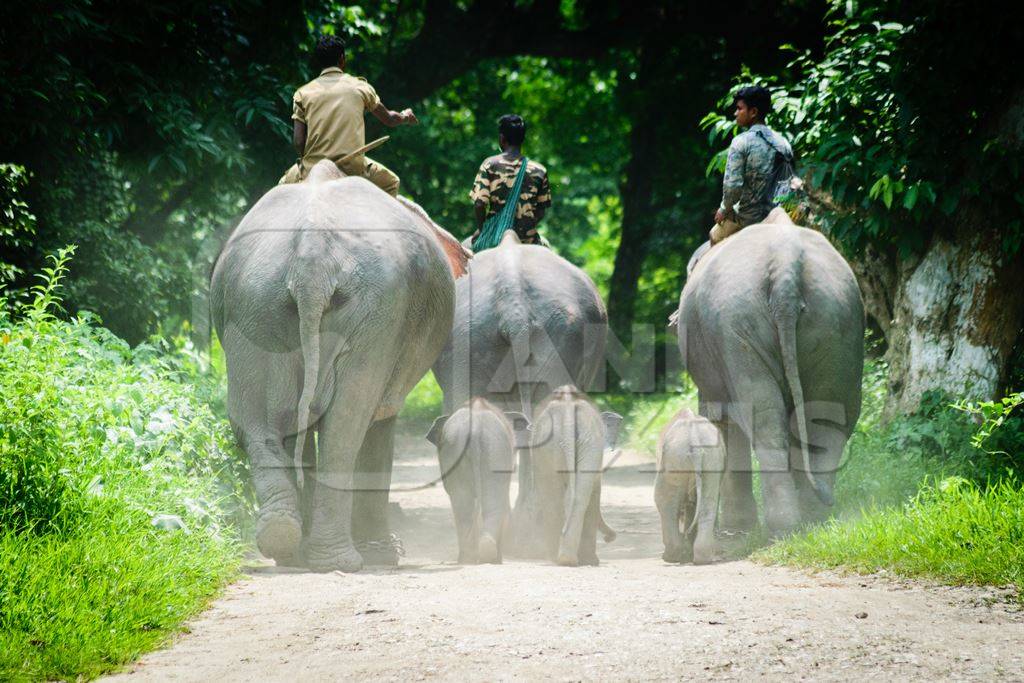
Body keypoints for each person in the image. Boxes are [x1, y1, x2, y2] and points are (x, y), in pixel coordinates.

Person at [282, 35, 417, 195]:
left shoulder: (302, 93)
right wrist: (405, 116)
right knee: (392, 182)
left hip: (313, 168)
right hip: (353, 167)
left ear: (318, 61)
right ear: (342, 59)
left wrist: (313, 163)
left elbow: (298, 142)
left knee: (281, 188)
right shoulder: (360, 87)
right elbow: (389, 119)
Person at [710, 85, 794, 244]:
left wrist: (723, 209)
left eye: (739, 108)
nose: (735, 113)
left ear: (753, 112)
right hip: (778, 217)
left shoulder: (741, 142)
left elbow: (732, 188)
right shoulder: (784, 143)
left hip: (747, 219)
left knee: (714, 236)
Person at [469, 114, 552, 246]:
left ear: (502, 139)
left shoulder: (490, 165)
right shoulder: (539, 170)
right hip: (527, 240)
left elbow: (480, 204)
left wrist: (483, 230)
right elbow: (541, 210)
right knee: (547, 248)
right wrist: (526, 227)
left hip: (494, 238)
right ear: (522, 139)